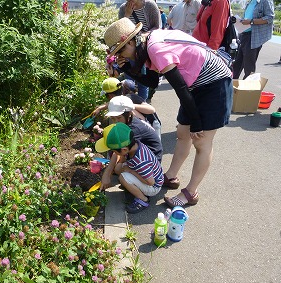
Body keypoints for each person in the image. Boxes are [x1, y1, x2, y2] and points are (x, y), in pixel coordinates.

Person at [103, 18, 233, 207]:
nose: (123, 56)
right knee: (182, 134)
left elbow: (180, 88)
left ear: (131, 41)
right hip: (194, 85)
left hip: (214, 83)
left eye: (122, 50)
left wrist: (196, 122)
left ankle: (190, 192)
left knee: (201, 141)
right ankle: (171, 176)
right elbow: (154, 82)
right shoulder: (146, 46)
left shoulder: (155, 48)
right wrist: (126, 69)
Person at [95, 122, 164, 214]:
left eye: (114, 150)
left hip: (153, 186)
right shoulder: (133, 145)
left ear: (124, 150)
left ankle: (143, 200)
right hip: (144, 175)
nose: (113, 153)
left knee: (123, 177)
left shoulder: (140, 161)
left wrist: (131, 171)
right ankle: (133, 185)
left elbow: (151, 182)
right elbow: (118, 159)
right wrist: (109, 172)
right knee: (118, 169)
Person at [118, 0, 161, 101]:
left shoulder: (149, 5)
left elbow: (157, 27)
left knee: (143, 79)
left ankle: (142, 103)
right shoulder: (123, 8)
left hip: (146, 48)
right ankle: (130, 103)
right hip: (130, 49)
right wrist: (127, 15)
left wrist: (141, 37)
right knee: (130, 77)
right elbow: (120, 30)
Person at [232, 0, 274, 79]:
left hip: (253, 37)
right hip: (243, 35)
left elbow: (270, 17)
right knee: (236, 64)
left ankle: (248, 90)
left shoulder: (265, 1)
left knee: (249, 68)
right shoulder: (250, 1)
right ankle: (231, 88)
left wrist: (251, 21)